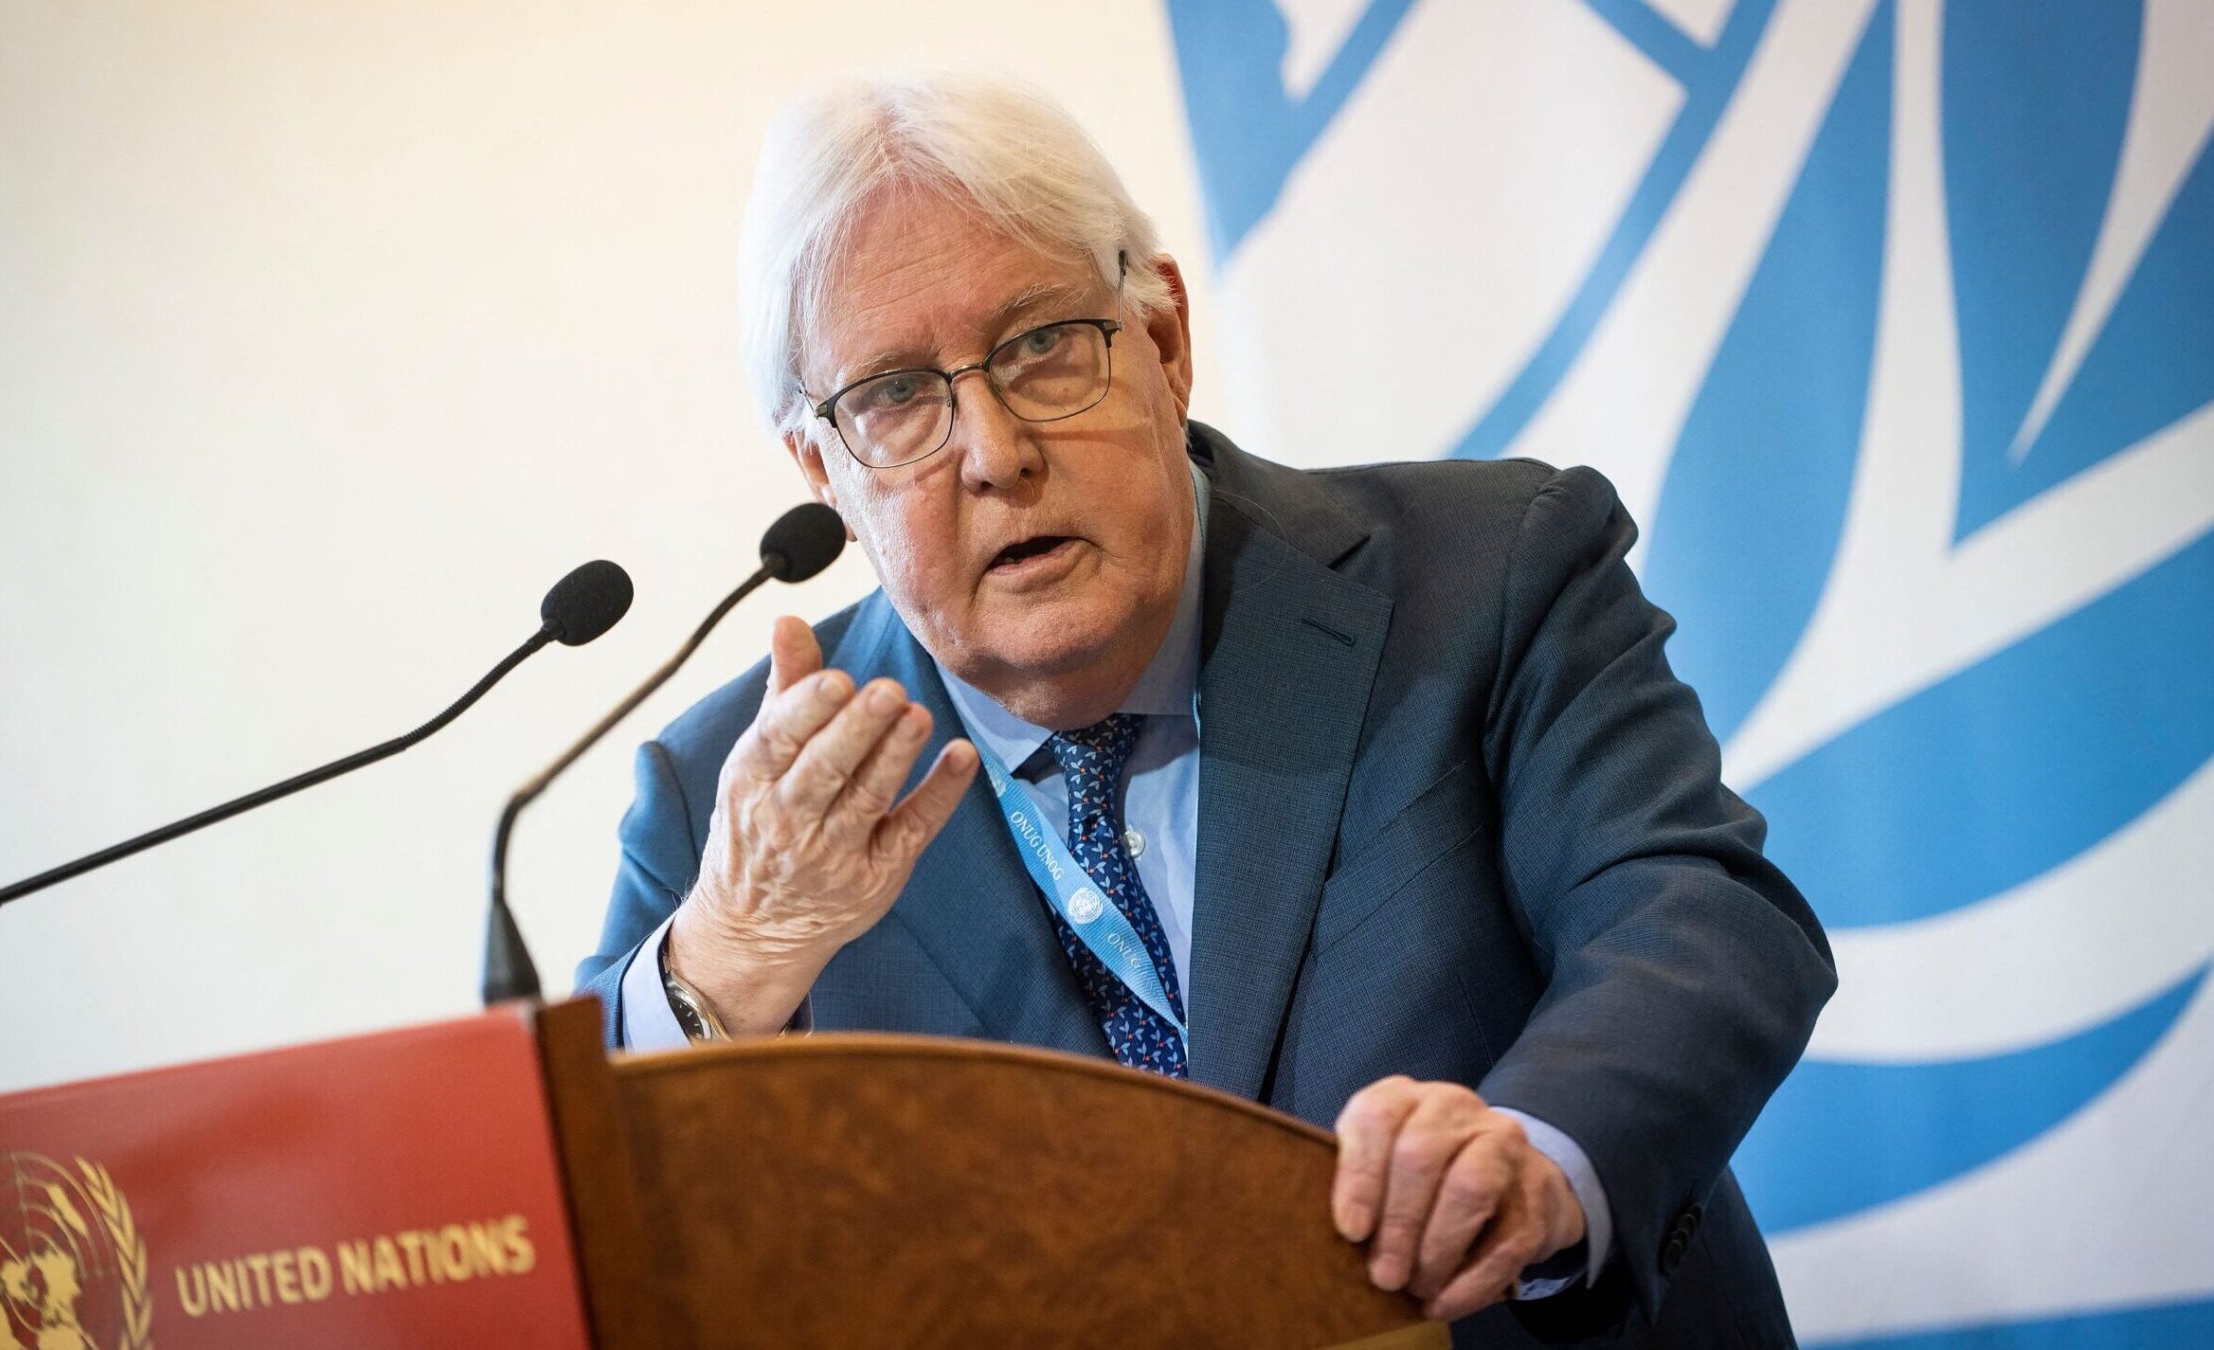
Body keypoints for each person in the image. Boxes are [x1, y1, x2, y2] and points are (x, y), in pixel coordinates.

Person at [576, 74, 1834, 1348]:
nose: (995, 451)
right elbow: (589, 1241)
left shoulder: (1485, 575)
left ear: (1164, 340)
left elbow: (1697, 913)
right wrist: (720, 972)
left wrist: (1540, 1152)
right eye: (896, 397)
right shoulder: (729, 812)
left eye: (1040, 346)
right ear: (824, 473)